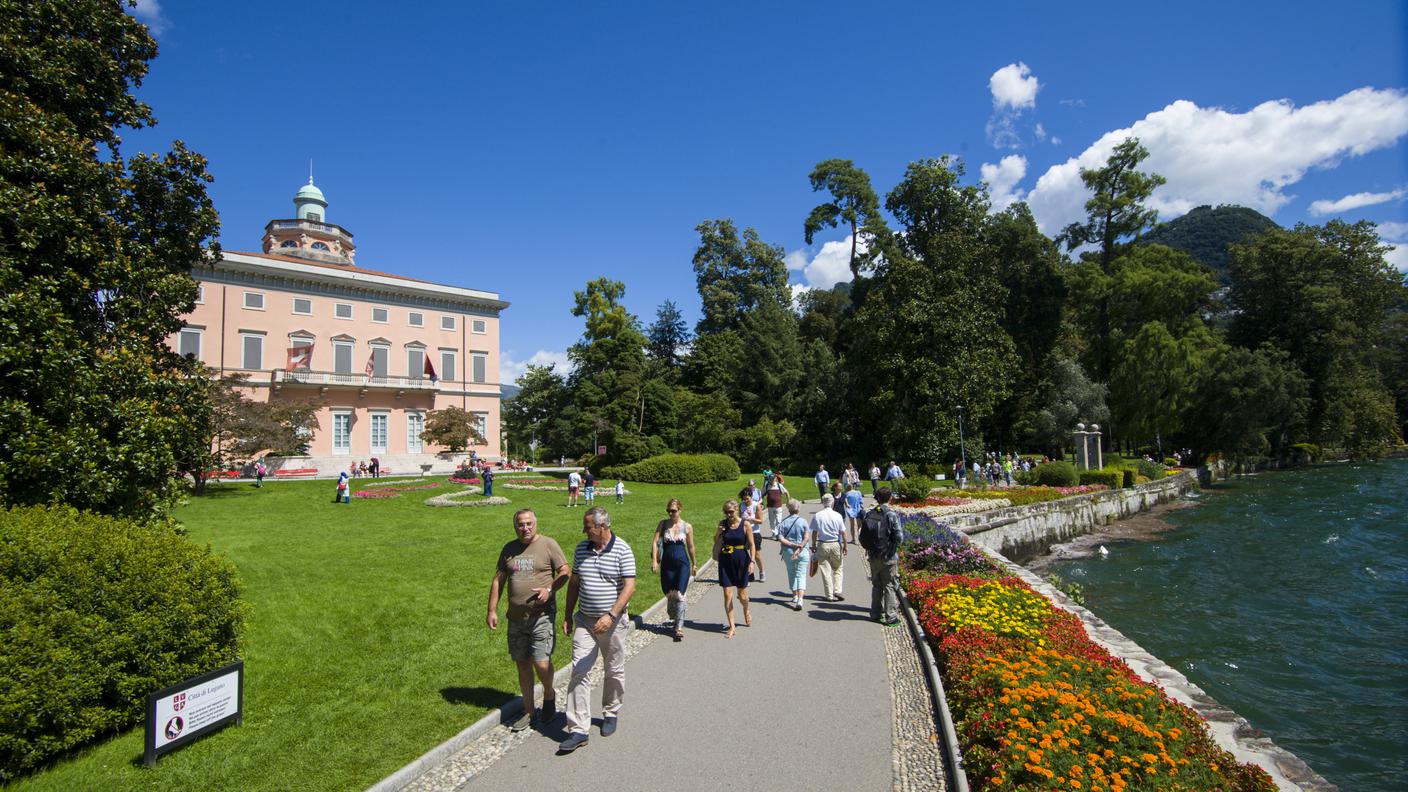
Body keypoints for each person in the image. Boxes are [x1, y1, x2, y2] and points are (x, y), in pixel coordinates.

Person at [560, 507, 636, 752]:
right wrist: (568, 614)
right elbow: (574, 583)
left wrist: (611, 614)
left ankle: (611, 711)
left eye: (588, 526)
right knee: (579, 670)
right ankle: (578, 729)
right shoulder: (582, 549)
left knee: (613, 668)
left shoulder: (622, 549)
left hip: (613, 622)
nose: (584, 531)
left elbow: (630, 587)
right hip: (585, 620)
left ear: (602, 526)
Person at [487, 508, 570, 732]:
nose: (525, 528)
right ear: (515, 526)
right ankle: (529, 711)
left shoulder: (548, 544)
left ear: (536, 523)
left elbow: (565, 571)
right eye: (520, 524)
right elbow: (499, 580)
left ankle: (549, 694)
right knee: (522, 664)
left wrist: (550, 589)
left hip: (541, 615)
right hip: (515, 618)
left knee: (541, 662)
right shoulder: (509, 549)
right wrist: (492, 610)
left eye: (529, 523)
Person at [651, 499, 696, 641]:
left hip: (682, 564)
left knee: (680, 594)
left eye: (673, 511)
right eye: (669, 511)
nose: (671, 513)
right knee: (670, 593)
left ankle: (679, 627)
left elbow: (690, 546)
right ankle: (675, 618)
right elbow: (655, 542)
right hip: (667, 564)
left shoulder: (687, 526)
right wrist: (654, 561)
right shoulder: (663, 524)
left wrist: (694, 563)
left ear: (680, 510)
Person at [860, 487, 905, 625]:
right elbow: (899, 537)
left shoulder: (870, 513)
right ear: (890, 498)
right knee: (889, 585)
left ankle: (875, 613)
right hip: (888, 555)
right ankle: (891, 616)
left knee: (876, 585)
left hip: (873, 555)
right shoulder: (891, 514)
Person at [711, 500, 755, 638]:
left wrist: (752, 561)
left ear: (736, 509)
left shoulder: (745, 524)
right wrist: (718, 532)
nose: (729, 514)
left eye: (731, 511)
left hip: (741, 561)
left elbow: (752, 545)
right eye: (726, 512)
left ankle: (746, 609)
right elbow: (715, 540)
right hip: (725, 561)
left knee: (743, 596)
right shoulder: (723, 524)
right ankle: (732, 626)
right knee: (727, 594)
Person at [773, 499, 811, 610]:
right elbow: (806, 537)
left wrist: (792, 545)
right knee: (801, 574)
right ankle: (800, 598)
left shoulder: (783, 522)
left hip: (788, 551)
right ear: (798, 509)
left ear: (788, 509)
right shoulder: (803, 521)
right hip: (803, 551)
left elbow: (780, 538)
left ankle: (794, 595)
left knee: (791, 572)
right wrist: (800, 546)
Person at [810, 494, 847, 602]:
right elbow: (843, 532)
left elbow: (814, 532)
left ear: (823, 502)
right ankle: (837, 590)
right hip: (835, 543)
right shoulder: (838, 515)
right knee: (838, 568)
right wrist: (845, 545)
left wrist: (813, 544)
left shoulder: (818, 515)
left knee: (825, 570)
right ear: (832, 502)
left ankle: (829, 595)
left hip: (822, 543)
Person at [740, 492, 765, 582]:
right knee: (744, 554)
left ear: (751, 497)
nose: (746, 501)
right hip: (744, 532)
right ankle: (750, 574)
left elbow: (761, 521)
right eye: (744, 499)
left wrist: (751, 519)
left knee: (756, 555)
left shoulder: (756, 505)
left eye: (748, 498)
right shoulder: (741, 506)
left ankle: (762, 572)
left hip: (755, 532)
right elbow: (739, 518)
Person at [763, 474, 787, 538]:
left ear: (775, 479)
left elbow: (786, 492)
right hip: (770, 507)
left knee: (779, 520)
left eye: (773, 479)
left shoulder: (779, 485)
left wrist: (788, 501)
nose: (772, 480)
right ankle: (774, 534)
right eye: (770, 479)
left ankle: (779, 534)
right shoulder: (767, 486)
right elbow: (762, 494)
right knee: (771, 521)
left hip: (778, 506)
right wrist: (761, 503)